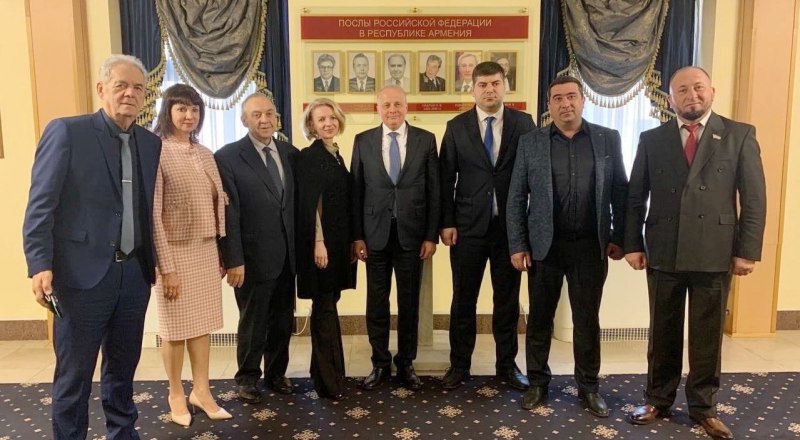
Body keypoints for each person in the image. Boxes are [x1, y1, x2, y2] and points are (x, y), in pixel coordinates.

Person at [22, 54, 162, 440]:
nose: (130, 93)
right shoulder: (68, 132)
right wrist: (39, 263)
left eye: (138, 88)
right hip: (81, 275)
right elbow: (41, 204)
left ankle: (123, 433)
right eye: (121, 86)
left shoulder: (150, 143)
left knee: (123, 369)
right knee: (75, 375)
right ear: (102, 89)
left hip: (133, 275)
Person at [624, 66, 766, 440]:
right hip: (664, 250)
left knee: (707, 336)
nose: (692, 95)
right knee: (662, 332)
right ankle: (658, 399)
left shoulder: (739, 135)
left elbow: (754, 199)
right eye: (682, 90)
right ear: (670, 99)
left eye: (698, 87)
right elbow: (635, 196)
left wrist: (747, 251)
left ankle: (704, 408)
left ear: (712, 91)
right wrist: (632, 244)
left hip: (714, 251)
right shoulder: (652, 139)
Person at [506, 76, 628, 416]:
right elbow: (516, 196)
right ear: (549, 105)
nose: (565, 103)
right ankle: (537, 383)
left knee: (587, 320)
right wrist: (517, 244)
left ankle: (588, 387)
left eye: (571, 96)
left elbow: (620, 190)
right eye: (557, 98)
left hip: (590, 247)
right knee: (540, 319)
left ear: (583, 100)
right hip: (545, 247)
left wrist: (619, 237)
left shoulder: (607, 138)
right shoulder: (531, 142)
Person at [439, 61, 536, 391]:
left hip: (510, 230)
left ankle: (507, 365)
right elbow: (445, 179)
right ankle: (459, 364)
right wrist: (447, 222)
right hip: (468, 229)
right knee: (463, 300)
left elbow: (534, 176)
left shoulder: (524, 124)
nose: (489, 90)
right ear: (473, 89)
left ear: (505, 85)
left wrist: (528, 227)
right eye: (482, 85)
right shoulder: (456, 127)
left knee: (507, 301)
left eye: (495, 83)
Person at [151, 83, 231, 425]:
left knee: (202, 325)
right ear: (168, 111)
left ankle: (202, 390)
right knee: (174, 329)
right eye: (182, 108)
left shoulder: (205, 153)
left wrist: (222, 252)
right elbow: (153, 214)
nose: (189, 115)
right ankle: (175, 393)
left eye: (195, 109)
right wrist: (166, 267)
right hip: (174, 252)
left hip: (205, 249)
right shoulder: (157, 150)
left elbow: (218, 204)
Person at [351, 85, 440, 391]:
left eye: (397, 104)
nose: (392, 110)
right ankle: (379, 363)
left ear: (406, 106)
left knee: (409, 302)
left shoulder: (426, 140)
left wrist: (431, 235)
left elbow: (435, 191)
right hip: (374, 236)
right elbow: (356, 191)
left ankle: (406, 363)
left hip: (412, 237)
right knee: (377, 303)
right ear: (377, 108)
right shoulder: (362, 140)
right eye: (386, 105)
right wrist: (357, 236)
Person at [215, 93, 299, 404]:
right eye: (256, 115)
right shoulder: (228, 157)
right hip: (251, 258)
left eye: (269, 113)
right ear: (244, 120)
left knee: (282, 319)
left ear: (277, 117)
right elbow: (229, 213)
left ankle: (276, 374)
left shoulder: (290, 153)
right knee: (253, 321)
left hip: (287, 255)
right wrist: (233, 258)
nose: (264, 120)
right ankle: (247, 378)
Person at [295, 98, 357, 400]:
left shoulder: (335, 155)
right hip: (322, 248)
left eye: (331, 118)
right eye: (321, 119)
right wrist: (318, 243)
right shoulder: (310, 156)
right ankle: (328, 383)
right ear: (311, 125)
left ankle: (323, 373)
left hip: (337, 245)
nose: (328, 123)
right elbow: (311, 205)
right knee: (324, 310)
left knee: (328, 305)